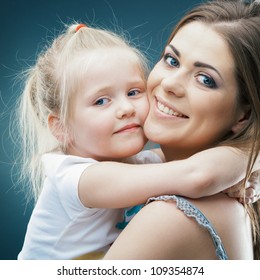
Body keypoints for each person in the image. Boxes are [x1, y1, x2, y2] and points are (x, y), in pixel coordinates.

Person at [16, 19, 258, 259]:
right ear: (61, 127)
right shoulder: (76, 176)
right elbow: (197, 174)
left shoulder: (139, 167)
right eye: (101, 101)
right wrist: (252, 156)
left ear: (243, 116)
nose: (126, 109)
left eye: (133, 92)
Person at [104, 0, 260, 260]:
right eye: (171, 60)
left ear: (243, 116)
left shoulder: (173, 217)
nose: (169, 84)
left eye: (205, 79)